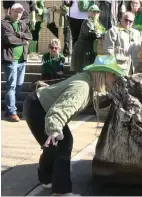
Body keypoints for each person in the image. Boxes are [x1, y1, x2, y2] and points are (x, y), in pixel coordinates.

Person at [23, 55, 125, 195]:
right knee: (61, 145)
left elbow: (91, 100)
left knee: (57, 146)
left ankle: (46, 178)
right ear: (104, 74)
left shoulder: (89, 81)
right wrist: (54, 131)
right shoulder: (81, 88)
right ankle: (61, 191)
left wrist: (109, 99)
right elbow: (58, 112)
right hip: (39, 109)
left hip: (42, 105)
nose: (115, 78)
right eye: (113, 74)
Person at [1, 3, 32, 122]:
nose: (19, 14)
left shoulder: (23, 24)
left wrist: (19, 34)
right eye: (16, 11)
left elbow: (29, 36)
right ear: (10, 11)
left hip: (22, 60)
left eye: (20, 12)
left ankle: (8, 110)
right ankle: (12, 112)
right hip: (11, 60)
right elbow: (10, 39)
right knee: (12, 86)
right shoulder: (4, 23)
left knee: (19, 86)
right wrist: (24, 42)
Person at [71, 5, 105, 73]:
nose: (95, 14)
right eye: (94, 12)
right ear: (89, 13)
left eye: (97, 12)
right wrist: (100, 35)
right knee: (82, 72)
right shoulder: (87, 21)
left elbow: (103, 32)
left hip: (92, 50)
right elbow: (89, 33)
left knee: (89, 71)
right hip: (83, 50)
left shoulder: (99, 24)